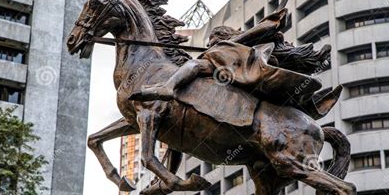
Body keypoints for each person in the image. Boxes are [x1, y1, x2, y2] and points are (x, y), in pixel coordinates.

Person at [129, 8, 340, 119]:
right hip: (233, 75)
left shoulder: (226, 48)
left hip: (230, 69)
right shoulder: (237, 46)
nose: (211, 45)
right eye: (211, 43)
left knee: (194, 65)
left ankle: (168, 86)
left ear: (221, 38)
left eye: (212, 41)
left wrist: (214, 50)